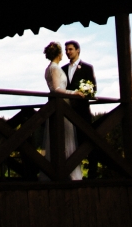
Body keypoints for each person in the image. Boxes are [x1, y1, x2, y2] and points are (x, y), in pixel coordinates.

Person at [41, 41, 83, 181]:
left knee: (65, 136)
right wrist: (74, 93)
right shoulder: (54, 69)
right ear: (58, 54)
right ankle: (66, 171)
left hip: (60, 104)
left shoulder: (52, 68)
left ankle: (65, 169)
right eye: (62, 51)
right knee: (63, 137)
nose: (64, 53)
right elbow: (57, 89)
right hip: (60, 105)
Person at [62, 40, 98, 177]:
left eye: (70, 49)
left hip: (82, 112)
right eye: (66, 50)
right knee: (69, 143)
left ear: (78, 50)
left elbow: (93, 88)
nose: (68, 52)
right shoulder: (63, 69)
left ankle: (92, 172)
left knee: (88, 141)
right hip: (66, 112)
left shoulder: (87, 68)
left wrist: (85, 91)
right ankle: (70, 172)